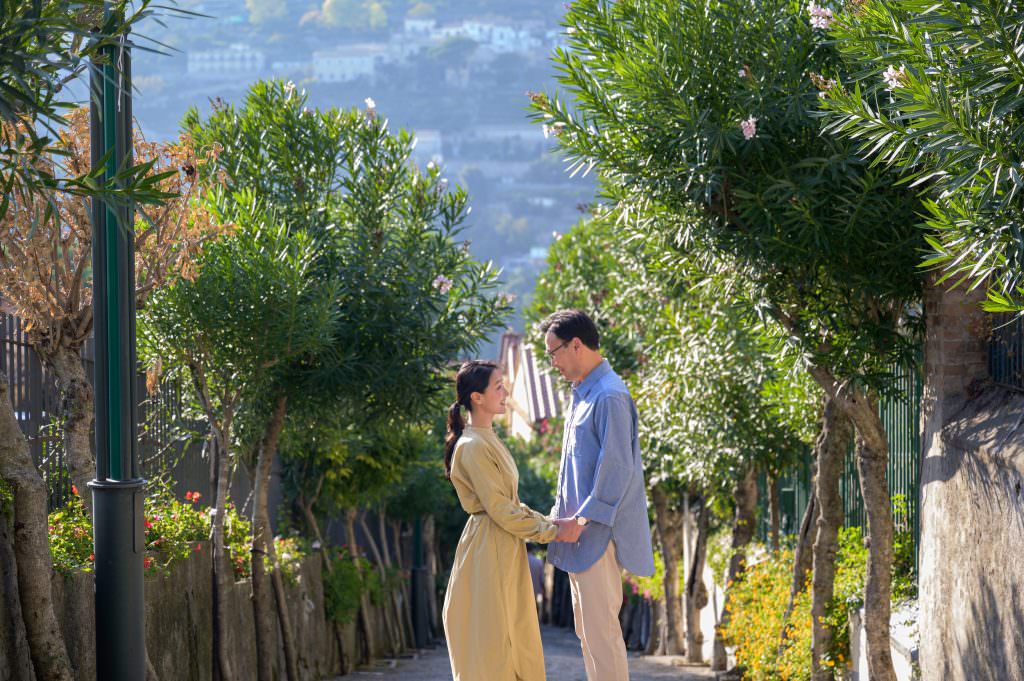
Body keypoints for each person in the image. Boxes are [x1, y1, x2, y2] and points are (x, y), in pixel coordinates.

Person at [442, 360, 578, 681]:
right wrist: (552, 532)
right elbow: (500, 510)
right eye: (499, 386)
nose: (506, 393)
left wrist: (552, 524)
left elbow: (510, 504)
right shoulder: (473, 446)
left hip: (504, 545)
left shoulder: (489, 440)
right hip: (489, 550)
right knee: (496, 646)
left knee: (516, 637)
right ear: (477, 397)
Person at [541, 309, 655, 681]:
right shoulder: (584, 394)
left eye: (554, 352)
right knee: (588, 634)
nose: (553, 362)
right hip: (578, 536)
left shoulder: (609, 396)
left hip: (594, 535)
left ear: (576, 345)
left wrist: (581, 519)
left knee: (601, 635)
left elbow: (617, 471)